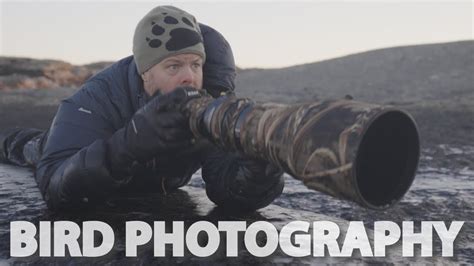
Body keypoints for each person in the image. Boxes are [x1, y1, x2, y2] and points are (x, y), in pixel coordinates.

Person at [0, 6, 284, 211]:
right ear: (145, 72)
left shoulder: (209, 98)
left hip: (152, 180)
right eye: (173, 65)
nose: (189, 77)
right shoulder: (96, 99)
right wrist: (129, 144)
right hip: (73, 146)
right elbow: (56, 187)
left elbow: (228, 190)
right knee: (29, 146)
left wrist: (260, 164)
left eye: (195, 64)